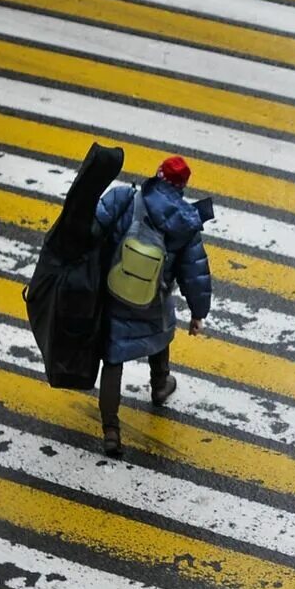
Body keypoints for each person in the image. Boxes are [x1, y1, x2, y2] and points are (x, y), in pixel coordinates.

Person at [92, 154, 212, 457]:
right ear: (183, 185)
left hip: (114, 293)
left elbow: (90, 229)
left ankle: (110, 431)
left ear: (157, 175)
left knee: (113, 358)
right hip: (153, 302)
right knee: (161, 334)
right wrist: (198, 314)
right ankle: (159, 386)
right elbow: (195, 273)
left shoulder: (125, 199)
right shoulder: (186, 224)